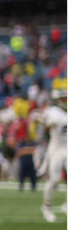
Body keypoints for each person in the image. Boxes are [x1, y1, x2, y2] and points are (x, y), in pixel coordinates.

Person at [40, 85, 67, 221]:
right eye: (62, 98)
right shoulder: (53, 112)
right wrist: (50, 123)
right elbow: (45, 127)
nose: (65, 100)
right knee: (55, 179)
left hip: (67, 148)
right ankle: (46, 206)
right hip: (56, 149)